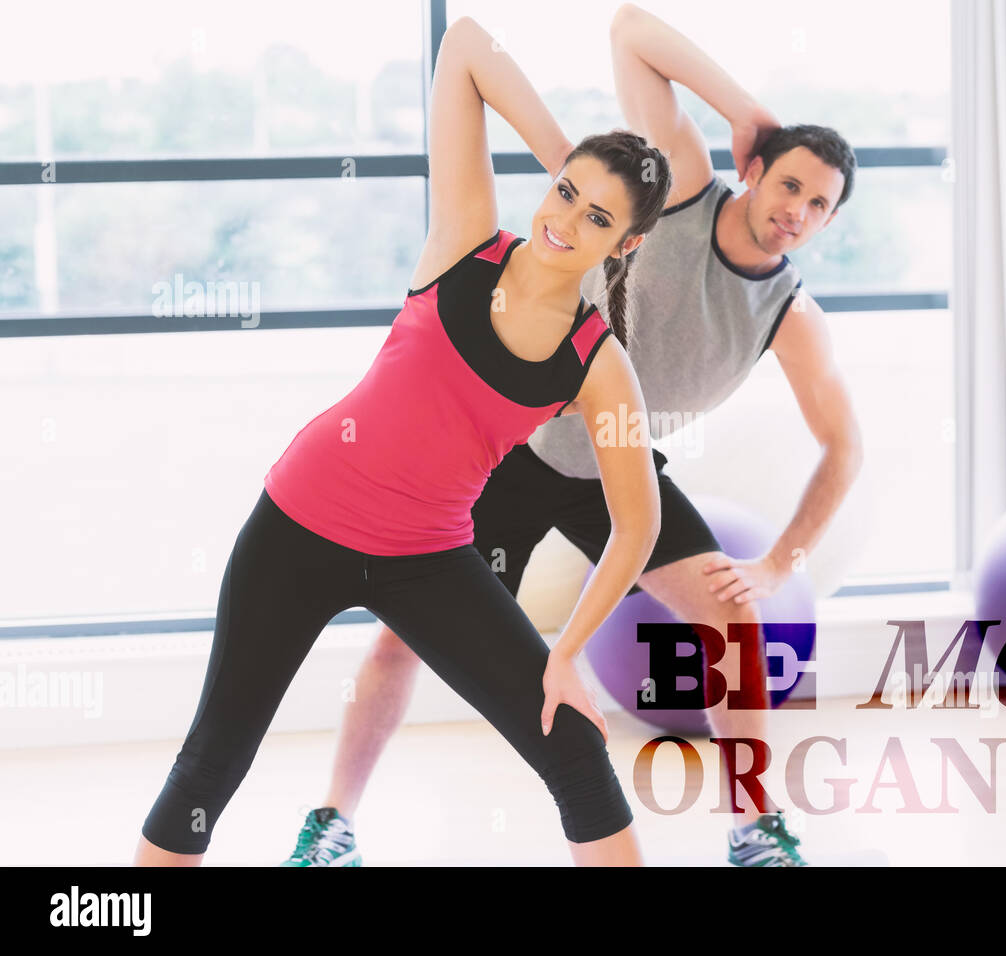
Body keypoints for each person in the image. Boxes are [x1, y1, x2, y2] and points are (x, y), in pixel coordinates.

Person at [284, 3, 863, 868]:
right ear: (755, 172)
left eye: (821, 204)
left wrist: (778, 565)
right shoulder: (683, 192)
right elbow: (632, 29)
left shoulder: (791, 315)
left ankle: (755, 826)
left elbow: (844, 446)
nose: (799, 211)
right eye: (790, 185)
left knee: (734, 624)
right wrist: (745, 108)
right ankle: (331, 824)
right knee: (401, 635)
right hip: (510, 454)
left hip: (615, 472)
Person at [133, 15, 672, 867]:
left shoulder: (597, 365)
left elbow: (636, 524)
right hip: (299, 526)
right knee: (212, 766)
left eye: (600, 217)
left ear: (629, 243)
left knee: (572, 746)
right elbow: (464, 45)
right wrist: (580, 157)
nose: (567, 219)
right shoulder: (465, 239)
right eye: (566, 192)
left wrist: (566, 651)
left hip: (428, 555)